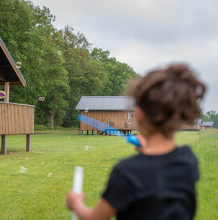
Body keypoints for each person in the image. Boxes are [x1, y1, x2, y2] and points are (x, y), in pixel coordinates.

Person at [66, 64, 206, 220]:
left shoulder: (126, 172)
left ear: (139, 114)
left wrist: (76, 203)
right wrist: (148, 148)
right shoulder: (188, 161)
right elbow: (160, 171)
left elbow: (95, 218)